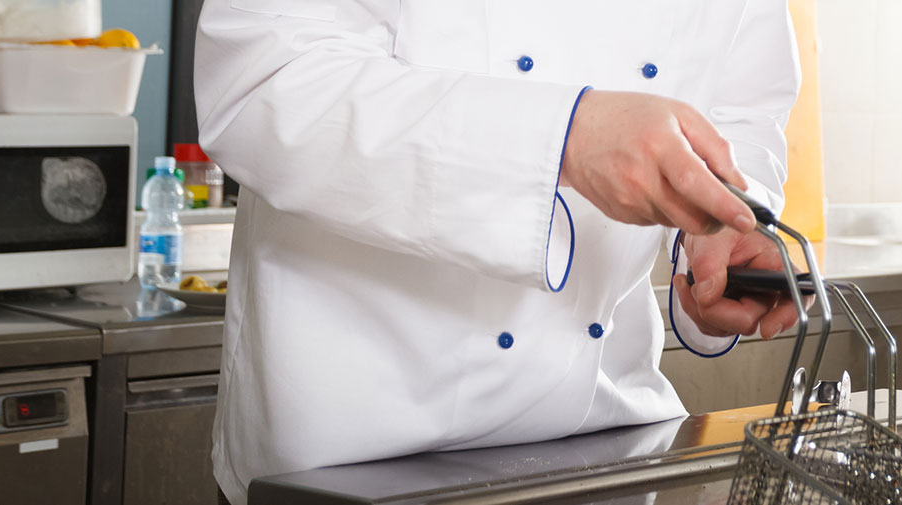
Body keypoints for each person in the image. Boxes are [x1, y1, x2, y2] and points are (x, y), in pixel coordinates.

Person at [191, 1, 801, 502]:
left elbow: (743, 109)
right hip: (351, 454)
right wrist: (561, 138)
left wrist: (724, 218)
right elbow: (262, 81)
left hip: (604, 447)